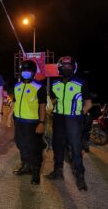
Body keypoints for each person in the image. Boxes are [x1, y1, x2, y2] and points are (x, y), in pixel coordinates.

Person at [45, 56, 92, 191]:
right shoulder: (55, 84)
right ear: (59, 67)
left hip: (74, 119)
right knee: (57, 146)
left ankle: (80, 177)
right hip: (58, 118)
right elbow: (53, 101)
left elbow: (88, 104)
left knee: (76, 148)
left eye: (69, 65)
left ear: (73, 67)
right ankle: (57, 171)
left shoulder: (81, 83)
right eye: (63, 65)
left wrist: (78, 114)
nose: (66, 67)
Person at [7, 60, 46, 185]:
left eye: (28, 71)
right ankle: (25, 166)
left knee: (34, 148)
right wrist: (9, 116)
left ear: (33, 73)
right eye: (23, 71)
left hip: (32, 123)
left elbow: (42, 106)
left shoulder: (39, 87)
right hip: (19, 122)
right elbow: (15, 102)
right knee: (21, 144)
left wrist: (41, 122)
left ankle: (35, 172)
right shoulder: (17, 86)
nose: (25, 73)